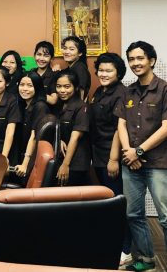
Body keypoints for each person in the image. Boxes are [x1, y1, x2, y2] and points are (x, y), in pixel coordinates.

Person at [117, 41, 167, 272]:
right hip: (131, 163)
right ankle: (147, 260)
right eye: (131, 59)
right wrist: (129, 152)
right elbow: (121, 124)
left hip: (158, 163)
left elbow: (166, 128)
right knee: (133, 214)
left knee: (165, 217)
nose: (135, 63)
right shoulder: (128, 91)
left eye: (140, 58)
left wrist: (138, 151)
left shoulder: (164, 89)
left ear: (151, 60)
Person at [90, 52, 132, 267]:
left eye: (109, 70)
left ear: (118, 73)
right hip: (98, 154)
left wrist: (114, 159)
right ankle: (113, 243)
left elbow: (119, 128)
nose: (103, 74)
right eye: (101, 70)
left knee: (119, 203)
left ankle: (126, 249)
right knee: (108, 201)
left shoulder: (122, 93)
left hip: (111, 155)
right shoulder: (99, 91)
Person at [54, 69, 91, 186]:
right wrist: (58, 139)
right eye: (58, 86)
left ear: (75, 88)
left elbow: (75, 138)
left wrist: (65, 165)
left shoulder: (81, 107)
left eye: (67, 87)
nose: (62, 90)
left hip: (75, 164)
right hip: (60, 160)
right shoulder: (58, 105)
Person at [14, 71, 50, 178]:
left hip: (33, 158)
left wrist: (25, 164)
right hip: (21, 153)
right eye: (22, 85)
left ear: (37, 87)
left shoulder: (40, 106)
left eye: (30, 85)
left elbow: (34, 137)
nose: (24, 89)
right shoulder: (22, 104)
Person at [62, 36, 91, 101]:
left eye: (71, 49)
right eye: (65, 48)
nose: (66, 52)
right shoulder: (72, 67)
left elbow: (81, 91)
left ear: (80, 53)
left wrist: (80, 107)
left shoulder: (80, 68)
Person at [32, 41, 58, 105]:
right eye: (39, 54)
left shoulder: (54, 75)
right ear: (34, 55)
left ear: (51, 58)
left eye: (46, 56)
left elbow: (53, 100)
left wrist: (32, 92)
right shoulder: (31, 73)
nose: (41, 59)